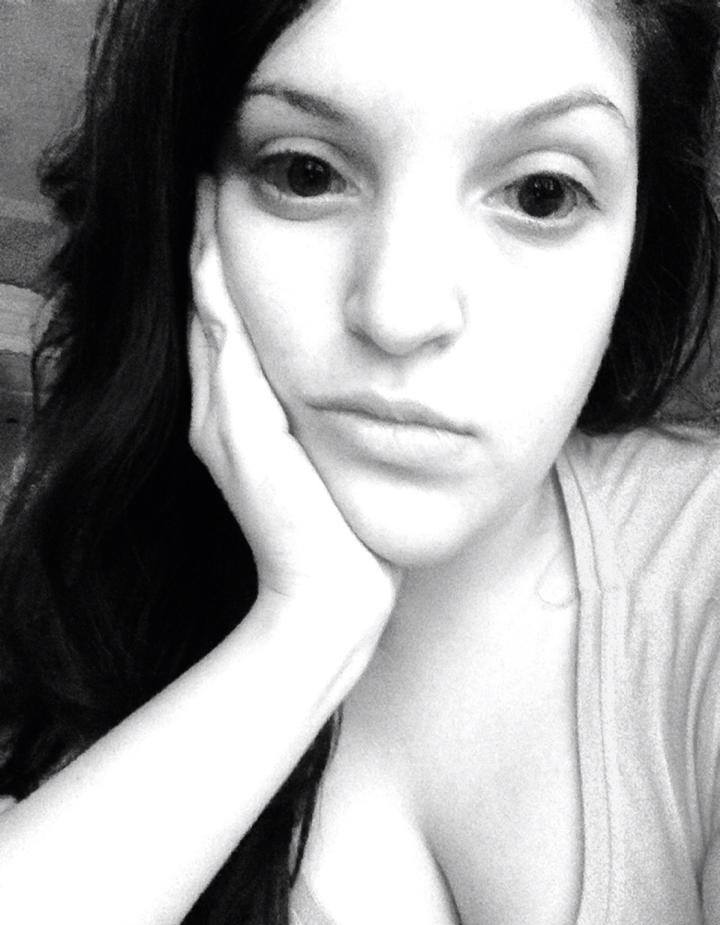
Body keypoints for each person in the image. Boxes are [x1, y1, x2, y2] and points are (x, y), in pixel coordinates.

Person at [0, 0, 719, 921]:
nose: (398, 311)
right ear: (187, 206)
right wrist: (305, 629)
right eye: (305, 173)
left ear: (640, 235)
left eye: (541, 193)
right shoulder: (81, 558)